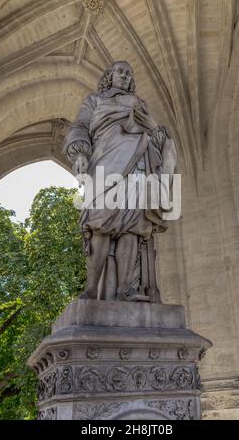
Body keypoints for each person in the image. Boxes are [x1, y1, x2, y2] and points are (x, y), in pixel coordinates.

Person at [62, 61, 176, 302]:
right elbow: (80, 127)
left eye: (129, 73)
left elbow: (157, 137)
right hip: (105, 164)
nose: (125, 76)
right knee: (100, 225)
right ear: (109, 76)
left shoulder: (139, 103)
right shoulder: (95, 100)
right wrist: (80, 153)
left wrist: (155, 129)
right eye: (120, 71)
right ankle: (91, 290)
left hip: (137, 165)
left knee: (132, 229)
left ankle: (126, 288)